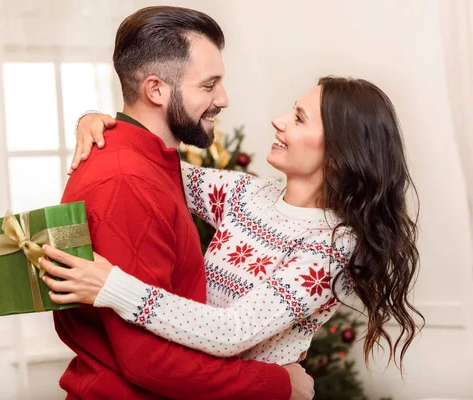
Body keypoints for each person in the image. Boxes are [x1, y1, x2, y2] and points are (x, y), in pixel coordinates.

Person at [41, 76, 423, 381]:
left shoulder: (331, 248)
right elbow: (151, 167)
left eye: (299, 118)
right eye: (291, 111)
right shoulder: (245, 193)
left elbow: (232, 331)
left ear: (341, 154)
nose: (279, 121)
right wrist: (97, 123)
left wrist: (112, 287)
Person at [45, 6, 314, 400]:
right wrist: (279, 385)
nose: (223, 98)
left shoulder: (148, 165)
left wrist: (92, 117)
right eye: (208, 85)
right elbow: (149, 361)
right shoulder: (128, 180)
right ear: (156, 89)